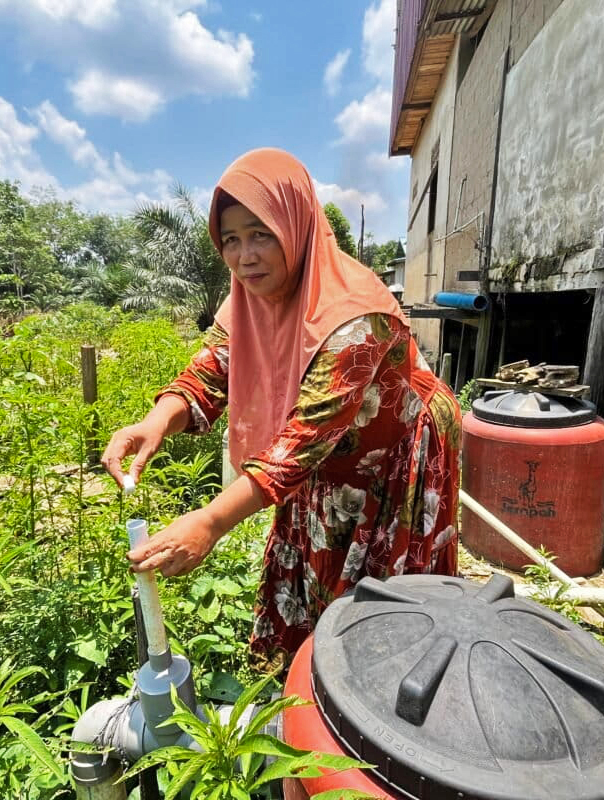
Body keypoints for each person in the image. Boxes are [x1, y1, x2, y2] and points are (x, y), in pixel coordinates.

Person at [102, 148, 461, 659]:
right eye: (230, 239)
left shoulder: (353, 317)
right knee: (315, 552)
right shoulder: (252, 298)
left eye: (260, 234)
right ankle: (304, 676)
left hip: (394, 452)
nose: (244, 256)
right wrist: (157, 419)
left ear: (294, 226)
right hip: (320, 458)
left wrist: (210, 522)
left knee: (385, 608)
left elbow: (299, 444)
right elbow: (213, 368)